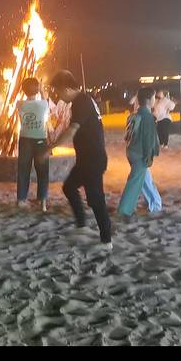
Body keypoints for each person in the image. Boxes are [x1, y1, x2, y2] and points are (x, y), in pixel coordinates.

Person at [49, 70, 113, 250]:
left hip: (93, 159)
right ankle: (82, 226)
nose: (59, 96)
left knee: (96, 199)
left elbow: (71, 130)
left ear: (66, 88)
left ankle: (106, 241)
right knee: (69, 187)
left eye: (58, 92)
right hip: (86, 158)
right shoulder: (82, 101)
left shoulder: (82, 102)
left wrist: (50, 148)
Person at [117, 87, 162, 220]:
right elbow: (148, 139)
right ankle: (124, 210)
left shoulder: (135, 114)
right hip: (140, 153)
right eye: (154, 97)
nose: (155, 100)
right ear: (148, 100)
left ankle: (155, 204)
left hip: (131, 151)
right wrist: (149, 156)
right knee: (134, 182)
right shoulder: (147, 117)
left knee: (144, 179)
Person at [16, 77, 50, 211]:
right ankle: (43, 202)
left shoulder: (19, 104)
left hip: (25, 139)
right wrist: (41, 89)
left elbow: (21, 119)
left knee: (23, 170)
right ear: (37, 90)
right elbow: (45, 99)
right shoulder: (43, 104)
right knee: (43, 170)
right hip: (40, 139)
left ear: (23, 91)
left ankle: (21, 200)